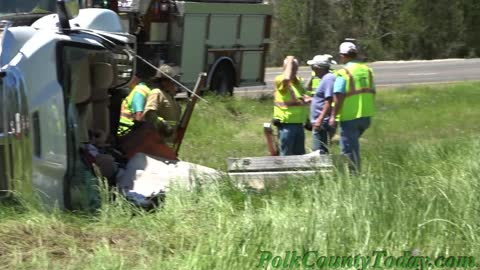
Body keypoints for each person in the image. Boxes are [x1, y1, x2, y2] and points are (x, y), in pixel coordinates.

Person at [329, 42, 376, 171]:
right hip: (366, 116)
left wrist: (333, 116)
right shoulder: (368, 70)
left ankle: (353, 176)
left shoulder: (344, 72)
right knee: (354, 146)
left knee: (349, 151)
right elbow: (373, 91)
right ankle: (355, 172)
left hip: (350, 117)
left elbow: (338, 95)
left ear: (342, 56)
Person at [273, 56, 310, 156]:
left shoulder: (298, 81)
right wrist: (290, 59)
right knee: (286, 155)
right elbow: (286, 78)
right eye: (292, 69)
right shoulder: (280, 79)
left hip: (299, 124)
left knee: (300, 155)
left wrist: (307, 118)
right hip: (287, 125)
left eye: (296, 69)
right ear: (285, 68)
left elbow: (304, 97)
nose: (294, 71)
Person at [143, 64, 182, 144]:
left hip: (169, 142)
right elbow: (149, 114)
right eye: (165, 80)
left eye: (170, 80)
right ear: (159, 81)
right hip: (157, 142)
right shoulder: (157, 93)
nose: (168, 83)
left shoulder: (171, 98)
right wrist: (162, 124)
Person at [307, 54, 337, 154]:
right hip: (320, 122)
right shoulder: (325, 78)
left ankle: (322, 169)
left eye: (313, 67)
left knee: (319, 153)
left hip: (322, 123)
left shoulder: (328, 79)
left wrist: (319, 120)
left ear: (318, 67)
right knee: (320, 151)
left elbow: (329, 100)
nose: (312, 69)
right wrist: (311, 99)